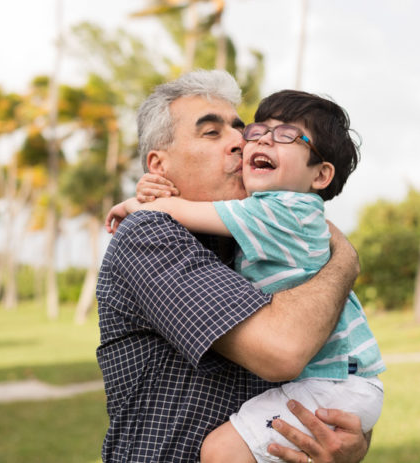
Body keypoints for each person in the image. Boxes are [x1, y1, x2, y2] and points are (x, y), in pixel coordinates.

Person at [96, 70, 370, 462]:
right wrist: (345, 260)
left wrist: (347, 443)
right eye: (211, 133)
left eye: (240, 130)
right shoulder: (150, 235)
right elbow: (284, 352)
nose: (241, 143)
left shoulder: (260, 241)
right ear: (158, 165)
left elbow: (337, 371)